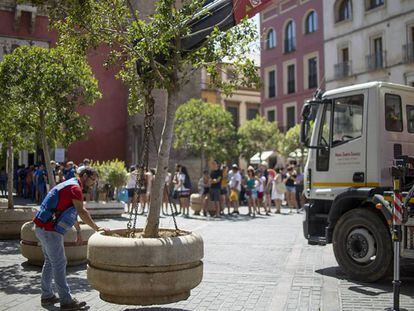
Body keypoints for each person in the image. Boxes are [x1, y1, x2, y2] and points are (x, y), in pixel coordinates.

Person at [33, 167, 109, 310]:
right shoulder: (75, 188)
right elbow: (81, 211)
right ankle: (66, 301)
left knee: (50, 262)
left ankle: (47, 295)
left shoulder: (70, 183)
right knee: (59, 263)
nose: (93, 184)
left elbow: (69, 210)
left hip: (41, 227)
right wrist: (96, 228)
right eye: (93, 180)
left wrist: (79, 231)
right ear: (85, 176)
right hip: (49, 230)